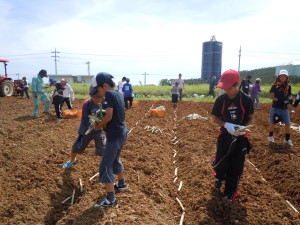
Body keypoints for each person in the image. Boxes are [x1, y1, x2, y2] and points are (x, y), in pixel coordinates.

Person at [211, 69, 254, 202]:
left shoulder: (246, 100)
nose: (227, 90)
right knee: (221, 163)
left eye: (229, 87)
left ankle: (230, 192)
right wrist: (226, 125)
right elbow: (214, 117)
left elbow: (251, 118)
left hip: (240, 138)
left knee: (236, 166)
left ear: (238, 84)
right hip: (224, 136)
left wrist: (243, 128)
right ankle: (220, 177)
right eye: (225, 88)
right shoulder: (221, 100)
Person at [90, 72, 128, 208]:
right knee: (115, 159)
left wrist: (98, 125)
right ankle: (121, 184)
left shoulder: (109, 94)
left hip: (114, 135)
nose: (99, 93)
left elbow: (109, 116)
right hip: (122, 132)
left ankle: (111, 199)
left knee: (105, 165)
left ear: (105, 85)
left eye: (98, 89)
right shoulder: (118, 93)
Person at [62, 83, 105, 168]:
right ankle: (72, 160)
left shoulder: (105, 103)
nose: (96, 100)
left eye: (98, 98)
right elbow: (85, 119)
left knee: (104, 149)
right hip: (87, 129)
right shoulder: (87, 103)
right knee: (76, 147)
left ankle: (106, 166)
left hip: (100, 130)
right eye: (94, 98)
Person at [268, 69, 293, 146]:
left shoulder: (288, 87)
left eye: (284, 76)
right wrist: (279, 100)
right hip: (275, 107)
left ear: (286, 77)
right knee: (273, 123)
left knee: (288, 123)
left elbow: (289, 96)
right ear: (279, 77)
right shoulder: (274, 86)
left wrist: (289, 100)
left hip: (284, 109)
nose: (283, 77)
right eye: (281, 76)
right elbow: (271, 96)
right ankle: (270, 136)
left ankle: (287, 139)